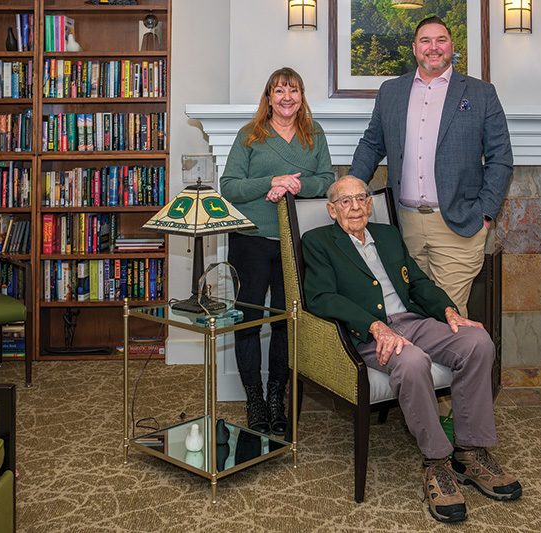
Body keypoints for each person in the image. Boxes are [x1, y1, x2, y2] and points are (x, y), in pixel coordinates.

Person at [302, 177, 520, 523]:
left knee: (477, 342)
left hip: (413, 321)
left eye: (361, 198)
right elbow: (321, 297)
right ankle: (436, 463)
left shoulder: (388, 236)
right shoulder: (317, 242)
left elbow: (417, 281)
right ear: (332, 209)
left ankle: (469, 452)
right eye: (345, 201)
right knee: (414, 362)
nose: (355, 206)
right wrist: (374, 326)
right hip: (369, 334)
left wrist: (449, 311)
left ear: (370, 204)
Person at [349, 16, 513, 316]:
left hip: (458, 226)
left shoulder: (481, 93)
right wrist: (348, 189)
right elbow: (372, 144)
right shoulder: (391, 92)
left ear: (452, 46)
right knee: (410, 312)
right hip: (404, 227)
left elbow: (500, 158)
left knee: (448, 315)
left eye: (440, 40)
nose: (433, 47)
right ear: (415, 48)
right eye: (425, 41)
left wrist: (485, 216)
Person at [220, 67, 334, 436]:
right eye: (280, 91)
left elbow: (328, 181)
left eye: (294, 90)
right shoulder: (250, 136)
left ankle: (276, 396)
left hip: (295, 241)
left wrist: (293, 186)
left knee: (286, 320)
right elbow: (230, 188)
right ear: (268, 98)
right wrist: (272, 181)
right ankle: (253, 398)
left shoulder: (314, 136)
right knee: (249, 320)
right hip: (251, 239)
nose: (287, 97)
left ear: (302, 97)